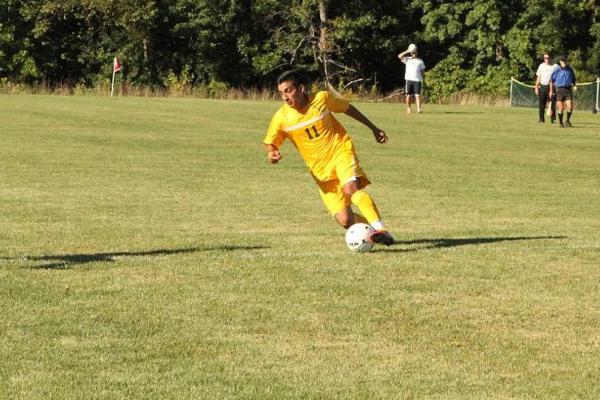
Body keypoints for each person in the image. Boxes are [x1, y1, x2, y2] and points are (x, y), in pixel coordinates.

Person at [263, 70, 395, 246]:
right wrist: (272, 153)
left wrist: (373, 127)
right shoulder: (282, 118)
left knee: (350, 189)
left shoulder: (322, 98)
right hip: (320, 172)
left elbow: (347, 108)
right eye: (281, 93)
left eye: (288, 91)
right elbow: (271, 143)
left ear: (301, 88)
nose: (284, 97)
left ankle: (380, 229)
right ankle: (374, 231)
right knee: (345, 220)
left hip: (341, 152)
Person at [550, 55, 577, 127]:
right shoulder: (557, 70)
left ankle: (567, 121)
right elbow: (552, 80)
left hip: (568, 89)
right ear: (560, 61)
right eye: (562, 60)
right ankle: (561, 123)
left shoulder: (570, 69)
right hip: (559, 90)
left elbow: (573, 78)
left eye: (564, 60)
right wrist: (551, 90)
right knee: (561, 108)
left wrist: (574, 85)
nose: (564, 62)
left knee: (570, 106)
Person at [397, 45, 426, 113]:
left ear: (417, 53)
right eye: (413, 52)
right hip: (409, 80)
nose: (414, 54)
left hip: (417, 80)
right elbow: (399, 56)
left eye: (415, 52)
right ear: (411, 53)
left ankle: (419, 109)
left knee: (417, 95)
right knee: (408, 95)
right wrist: (407, 50)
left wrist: (423, 80)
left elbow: (422, 72)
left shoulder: (420, 61)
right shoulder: (407, 59)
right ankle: (409, 108)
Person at [534, 52, 559, 123]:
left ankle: (552, 119)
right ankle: (541, 119)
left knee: (552, 103)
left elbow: (552, 79)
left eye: (548, 58)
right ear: (543, 59)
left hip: (550, 87)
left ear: (550, 58)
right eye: (545, 58)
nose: (547, 59)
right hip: (542, 86)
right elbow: (539, 77)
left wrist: (551, 90)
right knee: (541, 104)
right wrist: (536, 87)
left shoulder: (553, 67)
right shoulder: (541, 66)